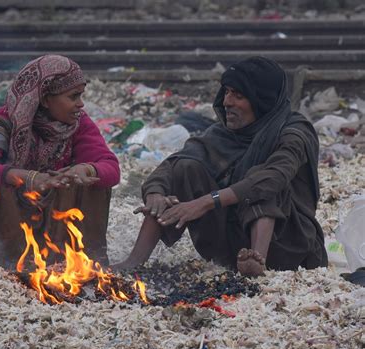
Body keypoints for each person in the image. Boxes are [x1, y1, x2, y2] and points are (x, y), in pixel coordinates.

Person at [113, 56, 328, 277]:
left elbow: (276, 175)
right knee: (186, 167)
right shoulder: (223, 134)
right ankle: (135, 261)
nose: (227, 102)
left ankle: (257, 266)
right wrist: (155, 192)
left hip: (288, 245)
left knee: (262, 181)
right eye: (226, 92)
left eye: (238, 95)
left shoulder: (295, 132)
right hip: (231, 247)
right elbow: (175, 162)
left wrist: (206, 202)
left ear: (262, 100)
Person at [0, 54, 120, 269]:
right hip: (4, 227)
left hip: (55, 226)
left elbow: (110, 167)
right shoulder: (5, 123)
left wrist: (86, 169)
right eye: (73, 97)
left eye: (81, 96)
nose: (80, 104)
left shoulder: (77, 124)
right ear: (45, 99)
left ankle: (74, 263)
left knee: (95, 180)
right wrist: (26, 178)